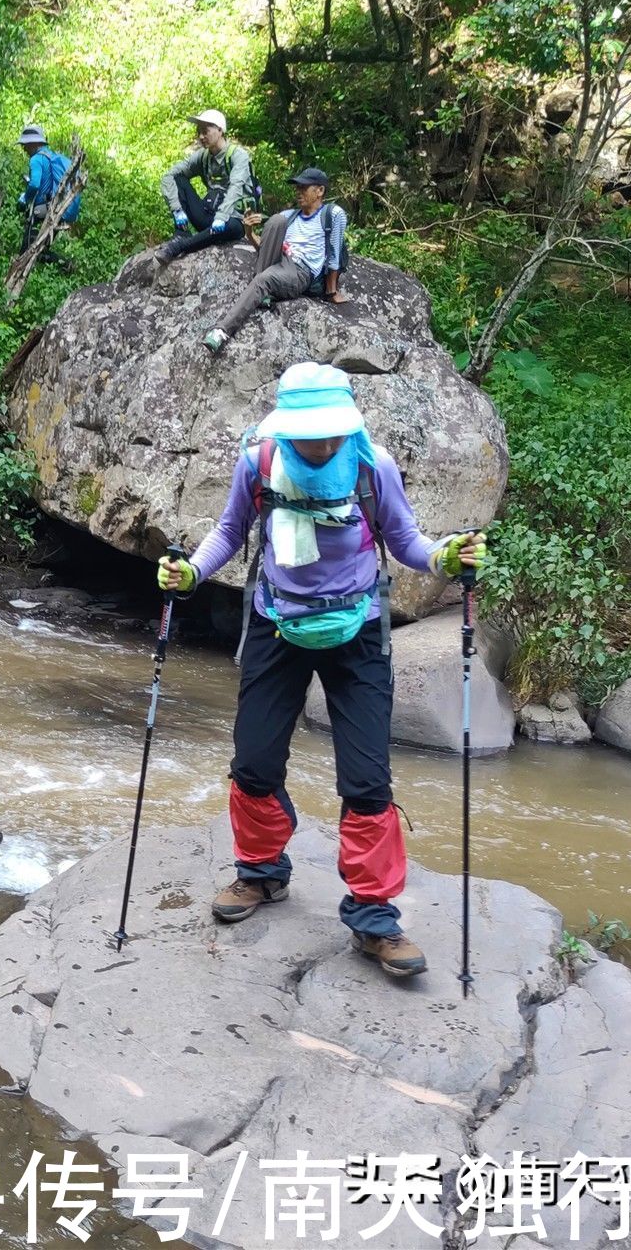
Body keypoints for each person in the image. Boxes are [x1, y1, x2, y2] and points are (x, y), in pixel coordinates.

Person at [157, 363, 487, 981]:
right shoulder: (259, 462)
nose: (322, 445)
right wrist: (191, 572)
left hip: (357, 631)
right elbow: (230, 531)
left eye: (331, 433)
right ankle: (261, 874)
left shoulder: (371, 467)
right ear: (286, 428)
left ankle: (373, 916)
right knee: (254, 761)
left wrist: (444, 554)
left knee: (367, 780)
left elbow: (408, 541)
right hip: (276, 625)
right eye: (311, 435)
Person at [202, 167, 350, 354]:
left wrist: (332, 291)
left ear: (320, 191)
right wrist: (249, 232)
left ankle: (222, 331)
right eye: (297, 188)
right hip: (280, 262)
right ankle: (262, 291)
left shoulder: (333, 214)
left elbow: (335, 254)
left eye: (304, 187)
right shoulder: (290, 216)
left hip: (300, 271)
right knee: (275, 220)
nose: (299, 192)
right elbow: (265, 249)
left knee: (264, 279)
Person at [157, 109, 256, 262]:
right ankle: (181, 233)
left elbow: (236, 187)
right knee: (179, 179)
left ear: (220, 130)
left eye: (205, 131)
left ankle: (180, 247)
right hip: (209, 215)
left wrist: (222, 217)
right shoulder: (203, 156)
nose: (201, 137)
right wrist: (177, 209)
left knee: (231, 226)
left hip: (233, 219)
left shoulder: (238, 156)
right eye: (199, 132)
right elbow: (169, 176)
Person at [16, 124, 80, 247]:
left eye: (25, 145)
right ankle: (67, 265)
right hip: (55, 209)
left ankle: (67, 265)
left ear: (33, 144)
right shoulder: (50, 156)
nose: (24, 149)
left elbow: (34, 184)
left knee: (27, 249)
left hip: (41, 211)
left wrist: (25, 198)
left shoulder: (36, 159)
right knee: (41, 250)